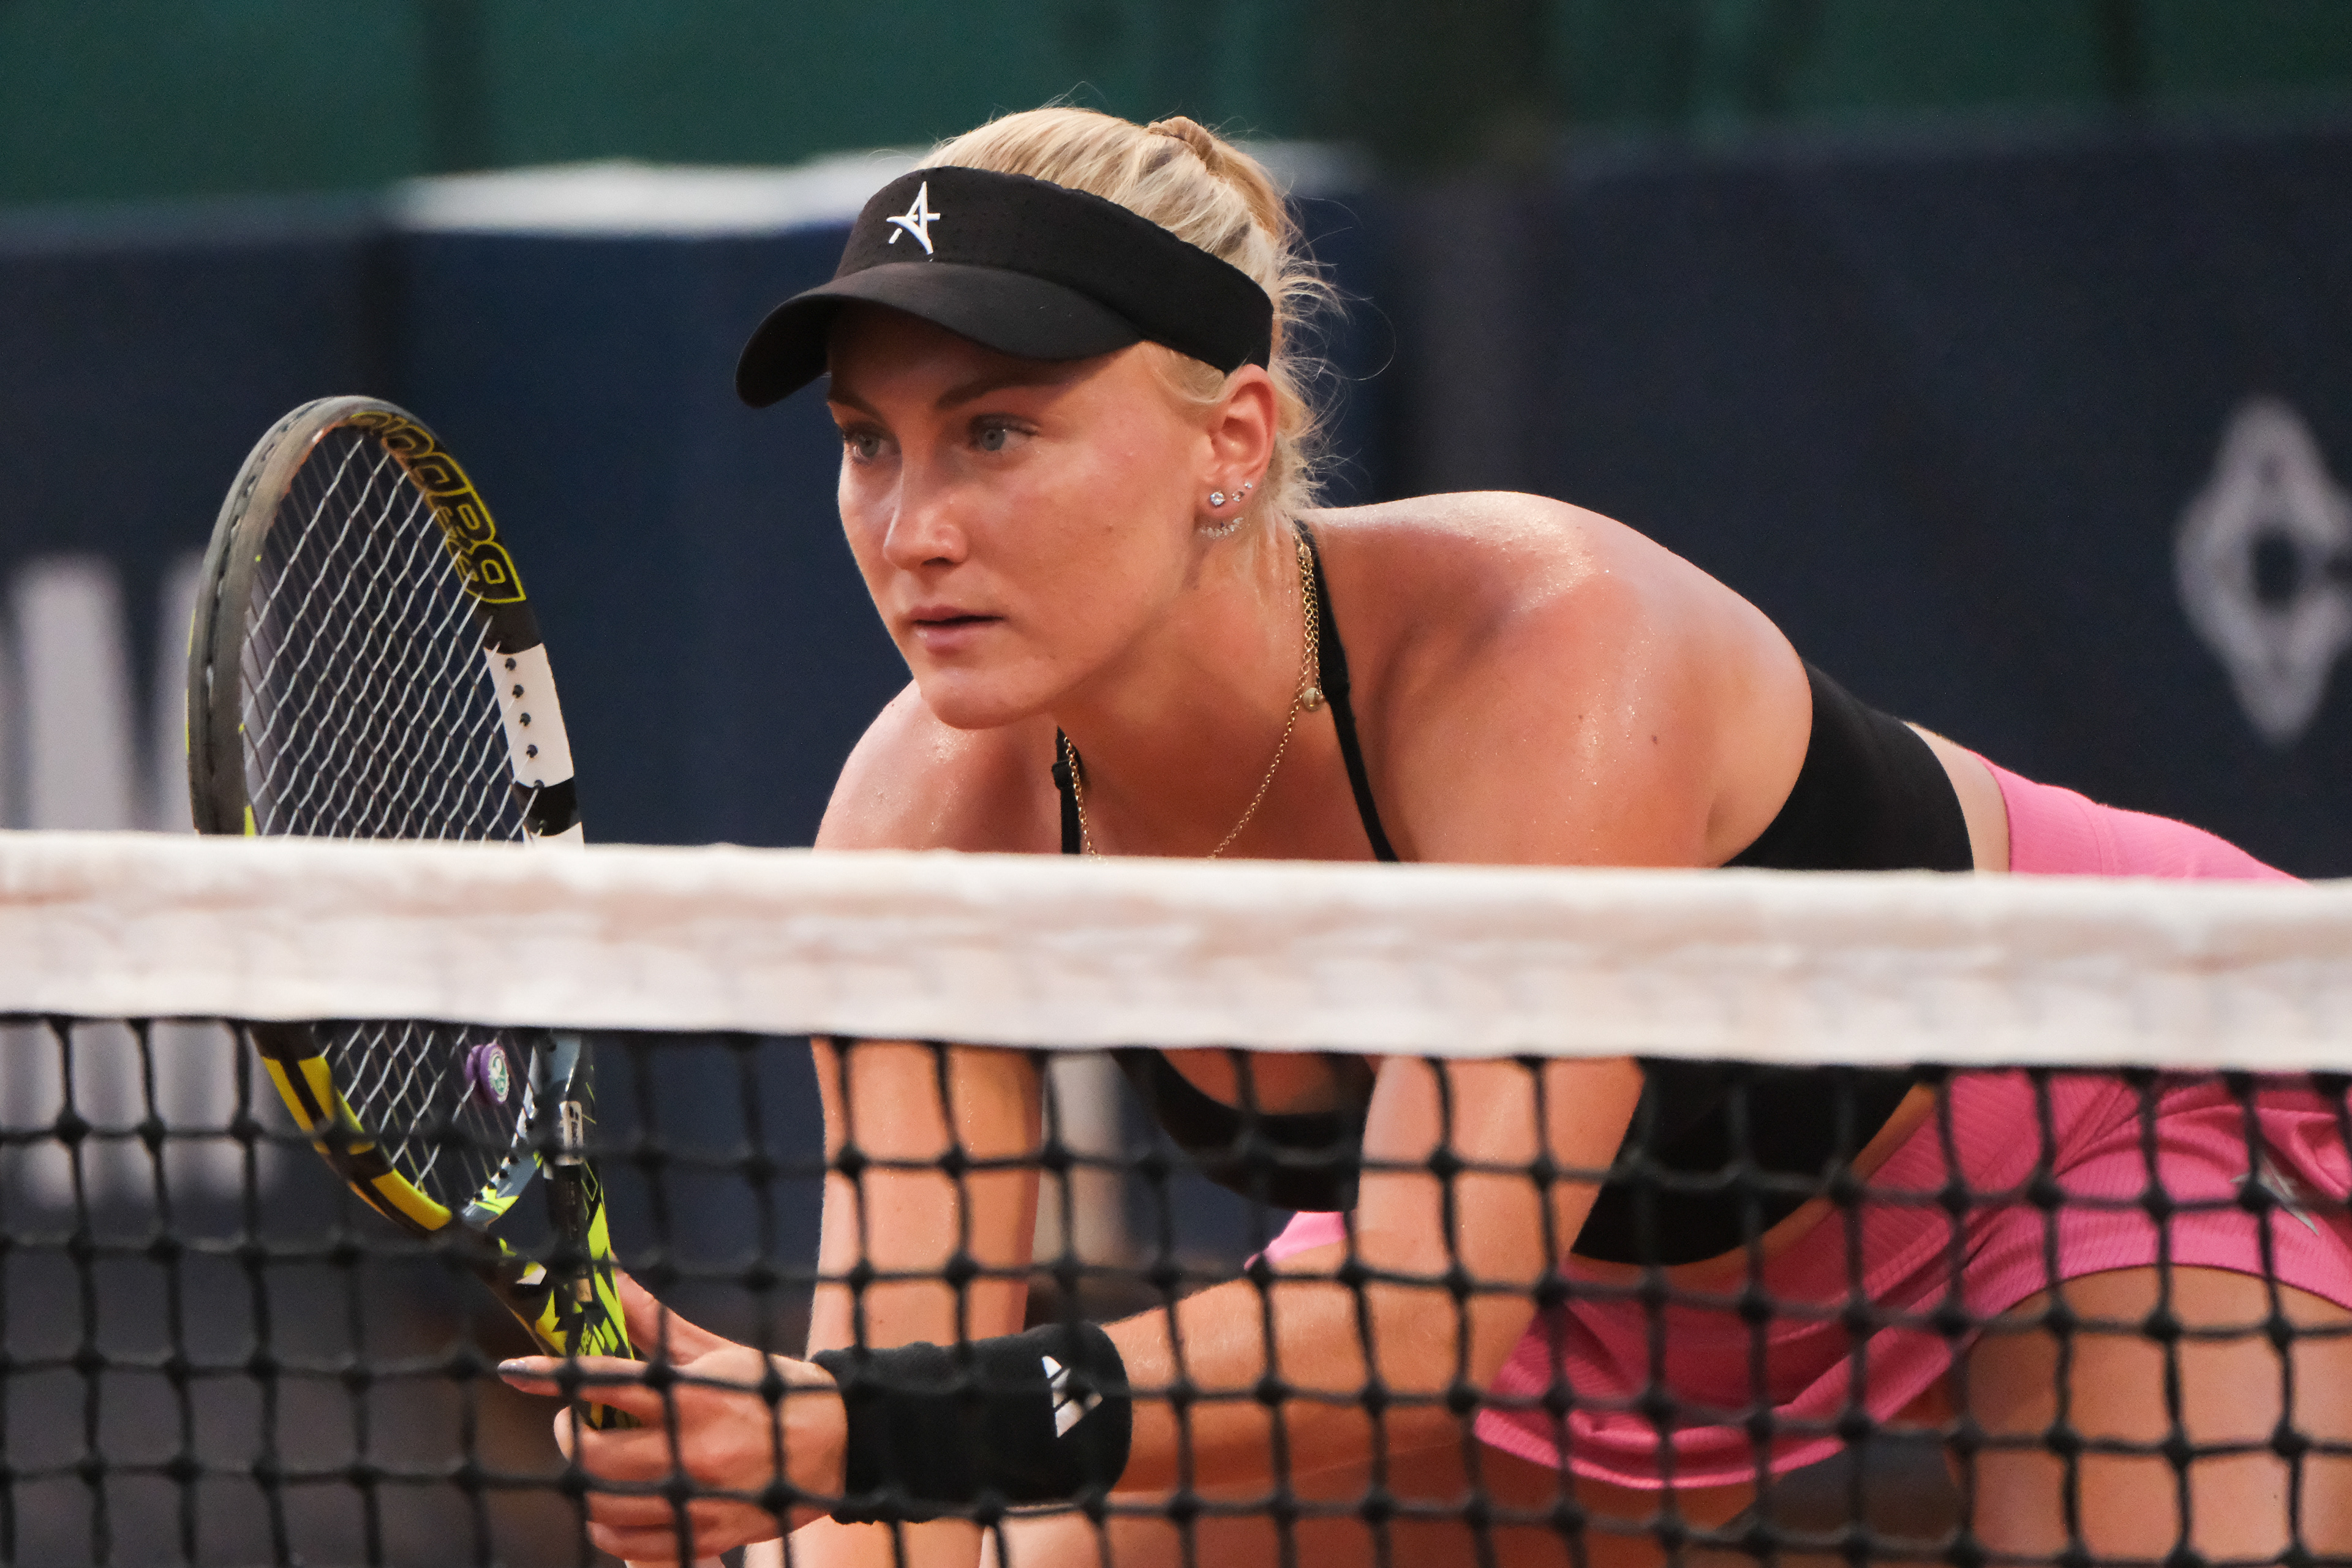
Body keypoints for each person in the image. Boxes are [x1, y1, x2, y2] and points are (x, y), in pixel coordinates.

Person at [498, 107, 2352, 1568]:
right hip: (1562, 1310)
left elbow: (1411, 1320)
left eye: (995, 433)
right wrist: (780, 1491)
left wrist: (841, 1432)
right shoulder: (919, 827)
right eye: (867, 444)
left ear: (1230, 438)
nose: (911, 524)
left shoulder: (1547, 652)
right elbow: (885, 1397)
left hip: (2087, 1140)